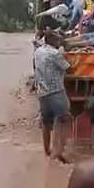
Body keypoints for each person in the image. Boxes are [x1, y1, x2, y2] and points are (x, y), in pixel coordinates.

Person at [33, 30, 71, 161]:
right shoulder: (55, 53)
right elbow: (68, 68)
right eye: (58, 40)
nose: (59, 42)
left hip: (42, 93)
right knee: (62, 120)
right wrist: (64, 55)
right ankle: (57, 153)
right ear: (53, 41)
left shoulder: (38, 52)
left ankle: (47, 150)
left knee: (46, 123)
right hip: (56, 92)